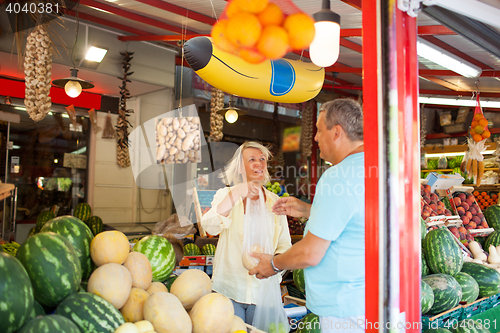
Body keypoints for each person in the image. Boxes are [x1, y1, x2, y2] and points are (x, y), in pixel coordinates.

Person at [249, 99, 365, 333]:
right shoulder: (378, 167)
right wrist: (309, 210)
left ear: (337, 132)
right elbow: (359, 218)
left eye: (319, 130)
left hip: (346, 310)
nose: (315, 138)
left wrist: (273, 264)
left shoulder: (338, 177)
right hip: (377, 302)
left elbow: (311, 253)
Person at [201, 141, 292, 324]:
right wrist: (236, 193)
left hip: (264, 293)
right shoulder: (225, 194)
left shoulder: (275, 202)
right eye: (252, 159)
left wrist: (274, 267)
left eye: (262, 159)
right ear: (240, 167)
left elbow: (284, 245)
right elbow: (209, 226)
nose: (259, 163)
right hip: (229, 289)